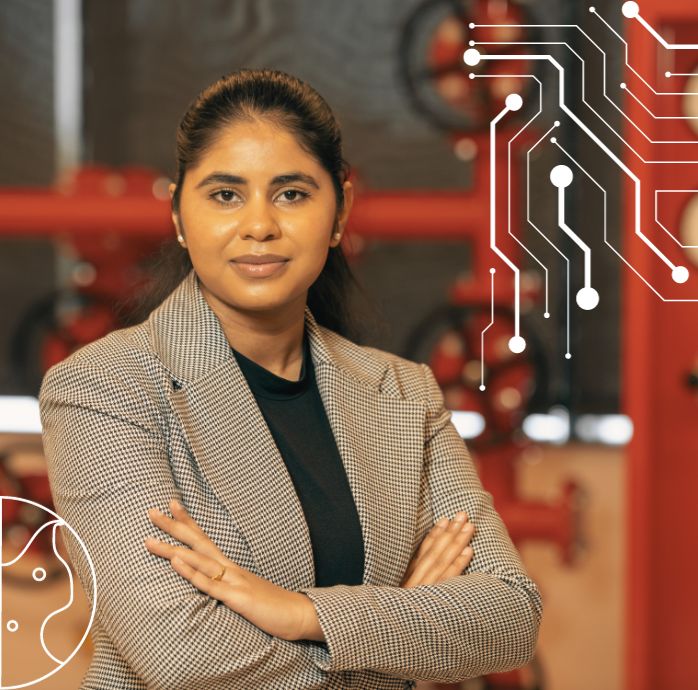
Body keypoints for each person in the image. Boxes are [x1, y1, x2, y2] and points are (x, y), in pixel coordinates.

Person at [39, 68, 542, 690]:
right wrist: (393, 640)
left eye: (292, 194)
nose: (259, 226)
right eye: (225, 194)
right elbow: (183, 656)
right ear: (177, 214)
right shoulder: (101, 389)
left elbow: (510, 617)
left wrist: (299, 612)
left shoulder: (404, 395)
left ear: (340, 213)